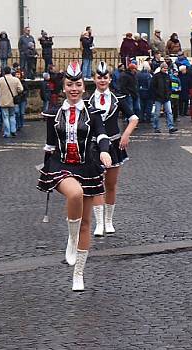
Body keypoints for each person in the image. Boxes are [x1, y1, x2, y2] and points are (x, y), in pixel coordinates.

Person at [38, 61, 113, 291]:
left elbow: (101, 135)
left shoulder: (93, 112)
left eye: (78, 84)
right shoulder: (54, 112)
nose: (74, 88)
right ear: (64, 87)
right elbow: (50, 143)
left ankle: (78, 274)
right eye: (70, 84)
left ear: (83, 87)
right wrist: (45, 164)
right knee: (75, 193)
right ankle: (71, 240)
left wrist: (104, 152)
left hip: (87, 166)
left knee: (87, 223)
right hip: (61, 165)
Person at [87, 62, 139, 236]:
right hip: (94, 146)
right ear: (94, 79)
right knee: (96, 184)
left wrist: (126, 135)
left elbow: (133, 118)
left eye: (105, 77)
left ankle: (109, 220)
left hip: (114, 144)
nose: (102, 80)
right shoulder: (87, 100)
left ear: (110, 79)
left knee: (110, 184)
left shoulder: (118, 99)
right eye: (99, 77)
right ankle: (99, 223)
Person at [0, 67, 23, 138]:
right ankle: (13, 130)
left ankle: (7, 132)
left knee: (5, 117)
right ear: (10, 71)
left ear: (4, 72)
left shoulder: (0, 80)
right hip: (13, 101)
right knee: (12, 116)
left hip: (3, 101)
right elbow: (21, 89)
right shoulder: (16, 79)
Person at [150, 63, 177, 133]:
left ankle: (171, 127)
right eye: (164, 68)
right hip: (158, 98)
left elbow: (170, 86)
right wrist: (156, 95)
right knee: (157, 114)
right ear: (161, 68)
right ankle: (156, 127)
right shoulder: (156, 76)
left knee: (169, 112)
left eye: (166, 68)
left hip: (166, 97)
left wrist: (169, 94)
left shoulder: (168, 76)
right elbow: (152, 87)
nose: (165, 69)